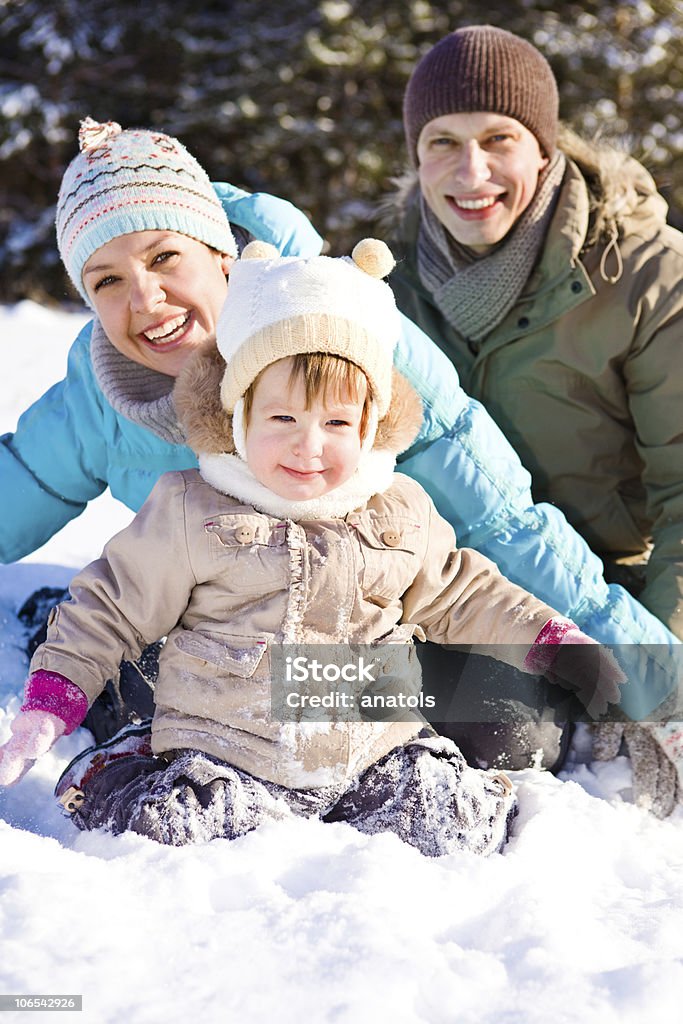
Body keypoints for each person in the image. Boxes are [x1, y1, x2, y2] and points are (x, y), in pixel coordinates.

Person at [0, 119, 677, 776]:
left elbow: (499, 524)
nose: (144, 298)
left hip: (355, 633)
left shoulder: (350, 334)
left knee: (516, 725)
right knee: (170, 672)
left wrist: (656, 679)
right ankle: (87, 656)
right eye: (105, 281)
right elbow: (20, 482)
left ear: (222, 255)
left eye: (163, 257)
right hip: (205, 641)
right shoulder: (102, 389)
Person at [0, 239, 628, 854]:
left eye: (336, 423)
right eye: (282, 420)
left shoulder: (398, 509)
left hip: (371, 751)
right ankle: (114, 768)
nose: (309, 447)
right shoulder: (192, 508)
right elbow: (109, 607)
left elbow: (464, 591)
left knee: (457, 827)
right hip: (226, 747)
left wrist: (554, 639)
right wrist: (52, 700)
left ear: (372, 425)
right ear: (238, 417)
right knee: (172, 826)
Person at [384, 23, 683, 811]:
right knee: (311, 688)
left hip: (602, 592)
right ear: (415, 159)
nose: (470, 171)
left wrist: (660, 663)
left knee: (509, 732)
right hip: (448, 591)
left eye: (498, 139)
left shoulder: (648, 277)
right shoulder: (385, 280)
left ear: (544, 149)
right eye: (441, 142)